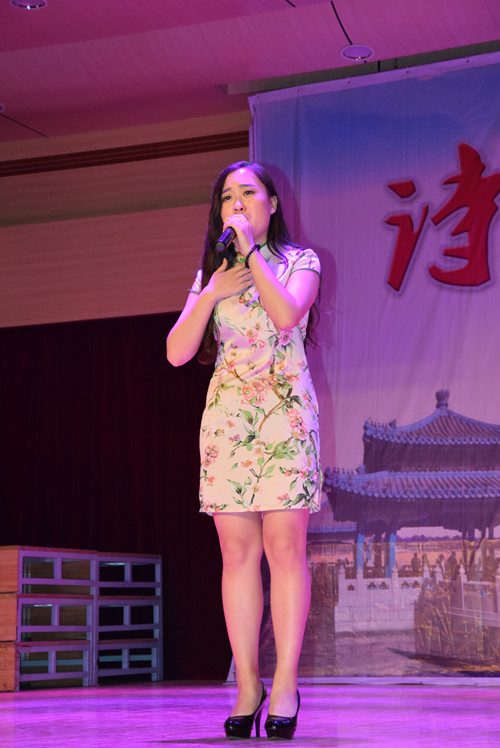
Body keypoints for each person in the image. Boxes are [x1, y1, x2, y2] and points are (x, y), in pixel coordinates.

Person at [166, 161, 321, 740]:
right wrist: (211, 291)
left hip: (285, 413)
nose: (235, 202)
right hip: (228, 419)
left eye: (247, 193)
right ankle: (248, 684)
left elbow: (286, 315)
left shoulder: (300, 262)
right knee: (236, 554)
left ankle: (285, 683)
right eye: (226, 196)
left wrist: (252, 255)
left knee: (284, 548)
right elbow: (177, 352)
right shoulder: (211, 275)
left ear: (271, 204)